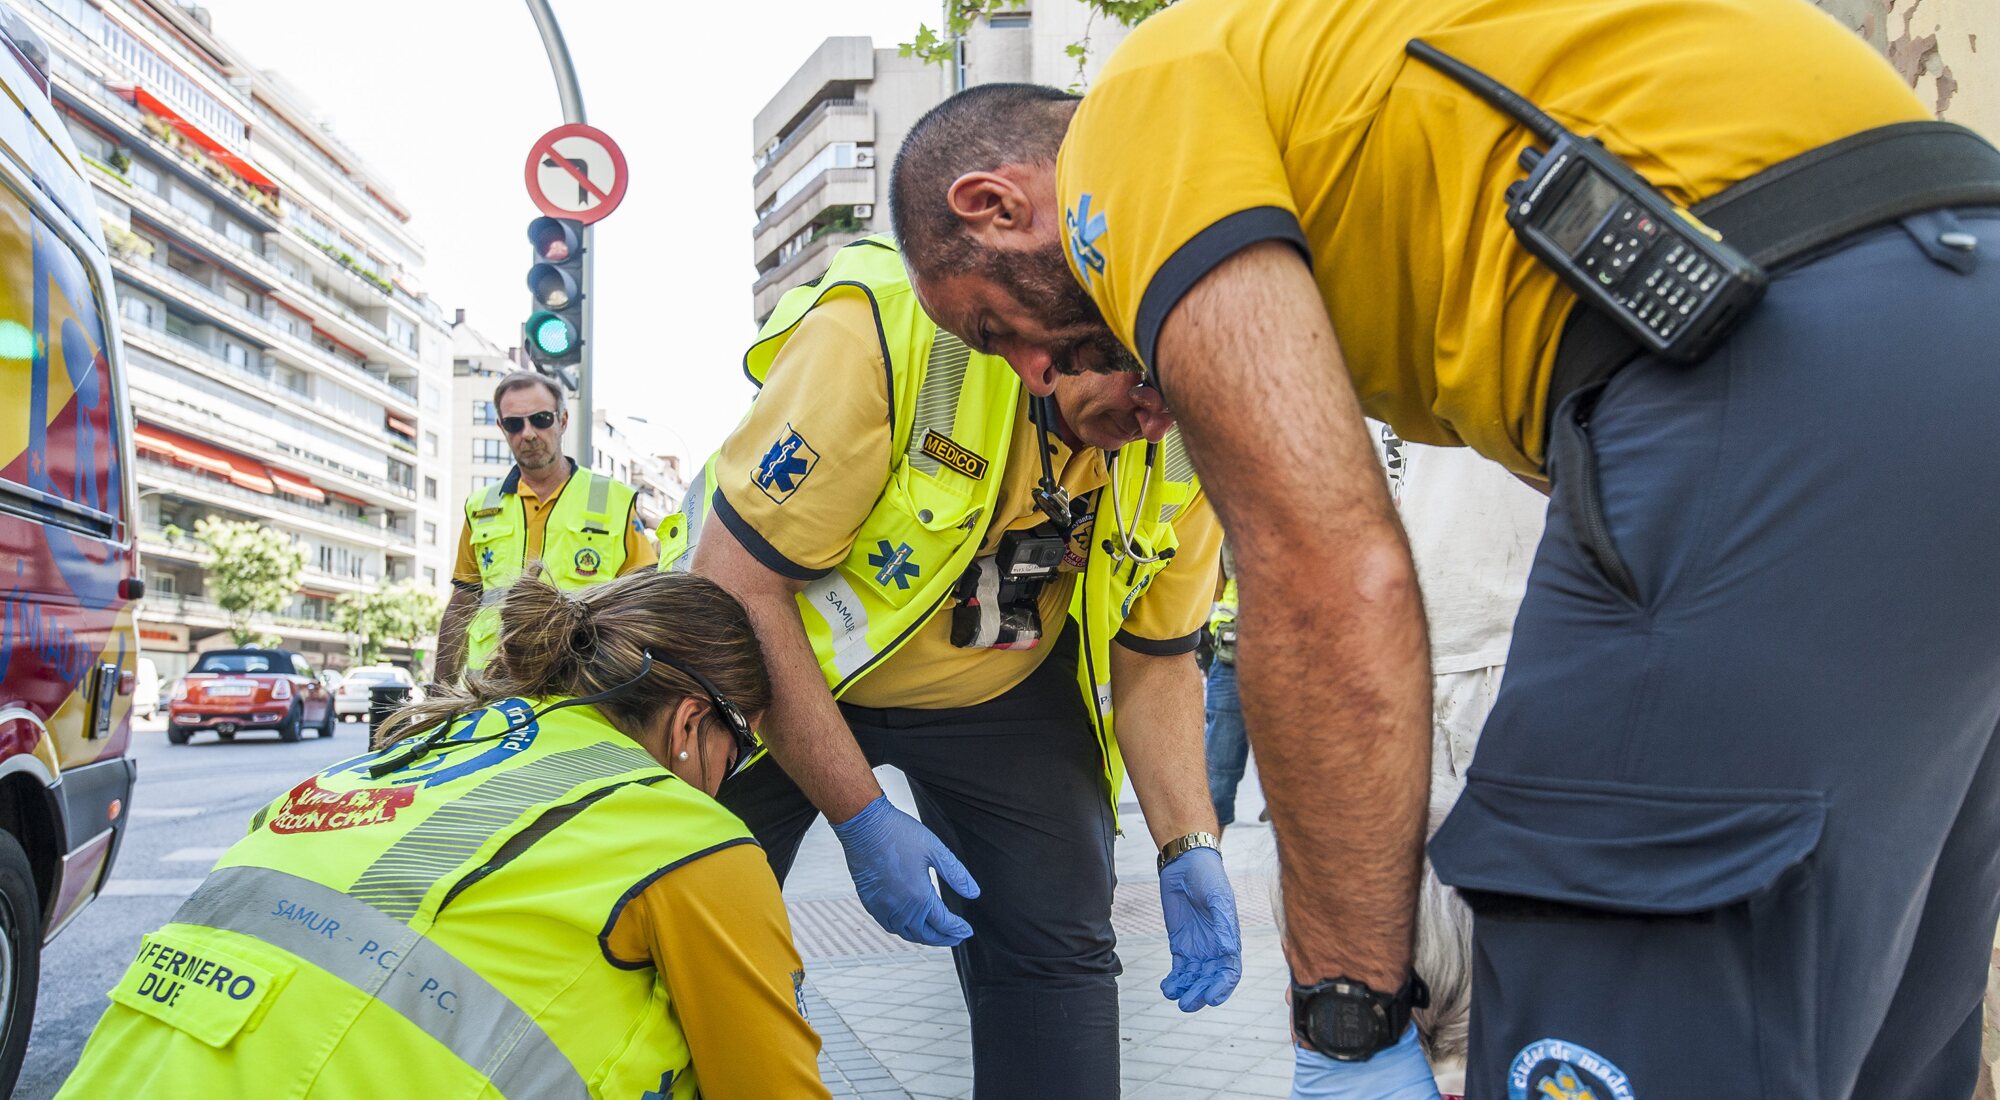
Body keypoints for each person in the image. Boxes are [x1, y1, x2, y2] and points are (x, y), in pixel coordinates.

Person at [887, 4, 2000, 1095]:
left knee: (1598, 989)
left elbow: (1321, 571)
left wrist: (1344, 1014)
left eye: (996, 331)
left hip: (1763, 351)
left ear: (993, 205)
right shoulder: (1354, 120)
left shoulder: (1129, 121)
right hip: (1942, 298)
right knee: (1886, 1032)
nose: (1032, 375)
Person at [667, 234, 1239, 1098]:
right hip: (775, 669)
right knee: (678, 918)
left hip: (1001, 686)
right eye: (1146, 386)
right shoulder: (887, 334)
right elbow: (738, 586)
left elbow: (1157, 661)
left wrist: (1189, 841)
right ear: (1064, 341)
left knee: (1061, 957)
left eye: (1185, 401)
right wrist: (860, 817)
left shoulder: (1184, 442)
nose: (1158, 424)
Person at [60, 566, 829, 1099]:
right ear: (694, 721)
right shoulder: (686, 834)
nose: (736, 774)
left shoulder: (396, 761)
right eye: (743, 745)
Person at [435, 370, 656, 685]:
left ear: (562, 421)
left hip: (581, 685)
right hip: (493, 686)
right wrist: (437, 692)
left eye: (540, 419)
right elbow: (462, 604)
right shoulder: (481, 507)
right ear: (502, 428)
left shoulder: (614, 500)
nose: (528, 433)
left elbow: (642, 601)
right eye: (514, 423)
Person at [1202, 543, 1251, 833]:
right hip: (1231, 657)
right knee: (1215, 785)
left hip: (1289, 668)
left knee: (1295, 787)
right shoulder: (1226, 521)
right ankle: (1207, 871)